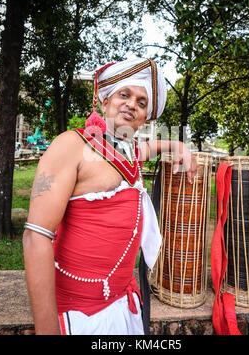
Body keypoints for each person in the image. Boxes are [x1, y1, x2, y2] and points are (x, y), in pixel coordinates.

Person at [23, 58, 197, 335]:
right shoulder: (71, 144)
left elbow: (149, 147)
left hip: (124, 306)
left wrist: (177, 145)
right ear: (104, 102)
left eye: (142, 103)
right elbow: (36, 235)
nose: (132, 105)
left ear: (144, 118)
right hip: (79, 314)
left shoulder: (130, 154)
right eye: (124, 95)